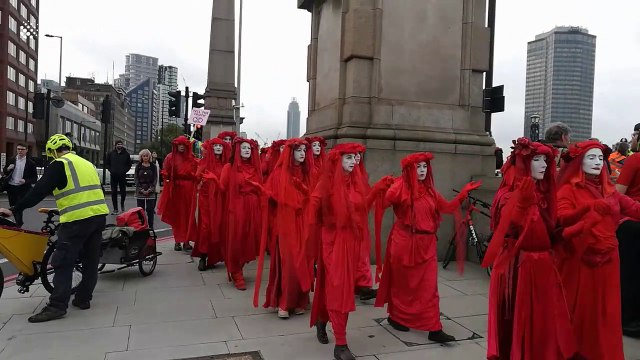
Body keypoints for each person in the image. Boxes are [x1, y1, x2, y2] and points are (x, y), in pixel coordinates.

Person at [482, 138, 577, 359]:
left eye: (546, 160)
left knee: (544, 321)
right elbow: (508, 226)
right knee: (521, 320)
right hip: (520, 266)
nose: (543, 165)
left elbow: (551, 231)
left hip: (542, 266)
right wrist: (522, 203)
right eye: (537, 159)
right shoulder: (508, 195)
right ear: (524, 163)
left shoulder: (545, 196)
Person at [0, 134, 109, 323]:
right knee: (91, 260)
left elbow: (38, 191)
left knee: (62, 261)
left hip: (76, 220)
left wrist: (14, 209)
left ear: (52, 151)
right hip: (98, 216)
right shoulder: (86, 163)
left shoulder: (60, 164)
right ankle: (83, 299)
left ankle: (57, 306)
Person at [374, 152, 480, 343]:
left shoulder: (430, 190)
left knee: (429, 288)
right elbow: (380, 205)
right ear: (409, 170)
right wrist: (381, 189)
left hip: (427, 244)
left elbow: (447, 208)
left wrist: (463, 194)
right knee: (402, 285)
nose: (422, 171)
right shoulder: (399, 188)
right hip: (404, 242)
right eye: (418, 167)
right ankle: (396, 317)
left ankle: (434, 328)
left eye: (424, 167)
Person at [556, 140, 640, 359]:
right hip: (580, 260)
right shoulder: (568, 190)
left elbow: (634, 208)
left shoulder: (609, 191)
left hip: (609, 261)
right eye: (591, 157)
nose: (597, 162)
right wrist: (589, 210)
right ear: (579, 162)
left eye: (600, 158)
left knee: (606, 313)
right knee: (582, 312)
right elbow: (562, 219)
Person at [308, 143, 393, 360]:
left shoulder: (356, 183)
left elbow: (363, 207)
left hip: (353, 243)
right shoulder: (325, 185)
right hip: (334, 243)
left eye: (355, 158)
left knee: (337, 288)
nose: (353, 161)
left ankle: (322, 319)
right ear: (338, 160)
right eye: (348, 158)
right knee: (339, 290)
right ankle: (341, 344)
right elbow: (313, 209)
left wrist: (377, 189)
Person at [255, 139, 314, 318]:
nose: (302, 153)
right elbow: (271, 197)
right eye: (298, 150)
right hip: (286, 224)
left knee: (303, 261)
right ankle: (285, 302)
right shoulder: (279, 173)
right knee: (288, 262)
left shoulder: (307, 173)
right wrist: (265, 193)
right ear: (290, 153)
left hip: (304, 223)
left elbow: (313, 198)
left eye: (304, 150)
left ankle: (300, 300)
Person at [220, 138, 265, 290]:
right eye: (244, 148)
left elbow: (261, 189)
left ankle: (238, 266)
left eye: (249, 148)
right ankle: (236, 271)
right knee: (237, 240)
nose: (247, 150)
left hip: (252, 207)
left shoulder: (254, 167)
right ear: (238, 150)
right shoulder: (229, 167)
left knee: (249, 240)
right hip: (237, 208)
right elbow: (223, 189)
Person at [189, 138, 230, 271]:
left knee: (219, 226)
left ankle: (215, 256)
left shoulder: (226, 164)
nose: (218, 147)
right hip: (206, 199)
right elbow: (197, 177)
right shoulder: (205, 162)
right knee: (206, 227)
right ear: (211, 148)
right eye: (216, 145)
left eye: (220, 145)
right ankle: (203, 255)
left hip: (222, 200)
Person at [614, 136, 640, 337]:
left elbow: (619, 193)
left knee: (628, 274)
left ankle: (628, 321)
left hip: (632, 222)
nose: (632, 138)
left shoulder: (635, 159)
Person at [157, 136, 198, 251]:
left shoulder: (191, 158)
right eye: (179, 145)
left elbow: (197, 173)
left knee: (188, 215)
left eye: (183, 145)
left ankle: (186, 241)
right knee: (177, 216)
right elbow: (166, 170)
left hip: (189, 189)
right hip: (176, 189)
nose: (181, 147)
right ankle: (177, 240)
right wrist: (166, 174)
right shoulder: (170, 157)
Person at [2, 143, 37, 227]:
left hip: (22, 188)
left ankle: (18, 224)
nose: (20, 151)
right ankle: (18, 223)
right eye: (18, 149)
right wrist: (7, 169)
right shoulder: (11, 159)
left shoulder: (30, 163)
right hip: (11, 187)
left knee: (18, 206)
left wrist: (25, 181)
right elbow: (5, 172)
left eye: (22, 149)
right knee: (13, 206)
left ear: (26, 150)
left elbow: (34, 178)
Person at [105, 140, 132, 215]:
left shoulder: (126, 154)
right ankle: (115, 209)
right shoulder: (111, 154)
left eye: (121, 144)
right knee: (114, 192)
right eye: (118, 144)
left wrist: (124, 171)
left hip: (122, 176)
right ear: (115, 145)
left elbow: (129, 164)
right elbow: (107, 163)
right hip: (113, 176)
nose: (119, 145)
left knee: (123, 191)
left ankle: (122, 206)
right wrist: (111, 170)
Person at [133, 149, 158, 228]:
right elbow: (136, 178)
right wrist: (141, 189)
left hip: (150, 190)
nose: (145, 157)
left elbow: (155, 178)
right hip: (140, 190)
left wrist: (150, 189)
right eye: (144, 156)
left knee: (150, 209)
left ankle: (151, 227)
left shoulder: (153, 166)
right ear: (141, 157)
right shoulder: (138, 166)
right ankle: (142, 226)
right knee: (140, 210)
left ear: (149, 157)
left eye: (147, 156)